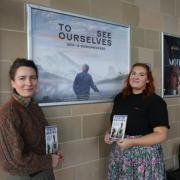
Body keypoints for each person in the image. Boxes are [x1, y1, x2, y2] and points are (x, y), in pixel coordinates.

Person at [0, 58, 63, 180]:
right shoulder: (8, 114)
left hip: (43, 170)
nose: (29, 83)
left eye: (33, 78)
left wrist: (54, 153)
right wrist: (49, 160)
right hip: (26, 176)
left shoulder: (32, 105)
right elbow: (16, 160)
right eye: (22, 78)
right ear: (12, 82)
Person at [104, 63, 170, 180]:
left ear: (148, 79)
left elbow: (161, 134)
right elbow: (114, 123)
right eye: (133, 73)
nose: (136, 77)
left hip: (144, 159)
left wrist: (132, 142)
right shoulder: (120, 98)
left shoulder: (155, 101)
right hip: (120, 156)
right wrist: (109, 133)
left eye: (141, 74)